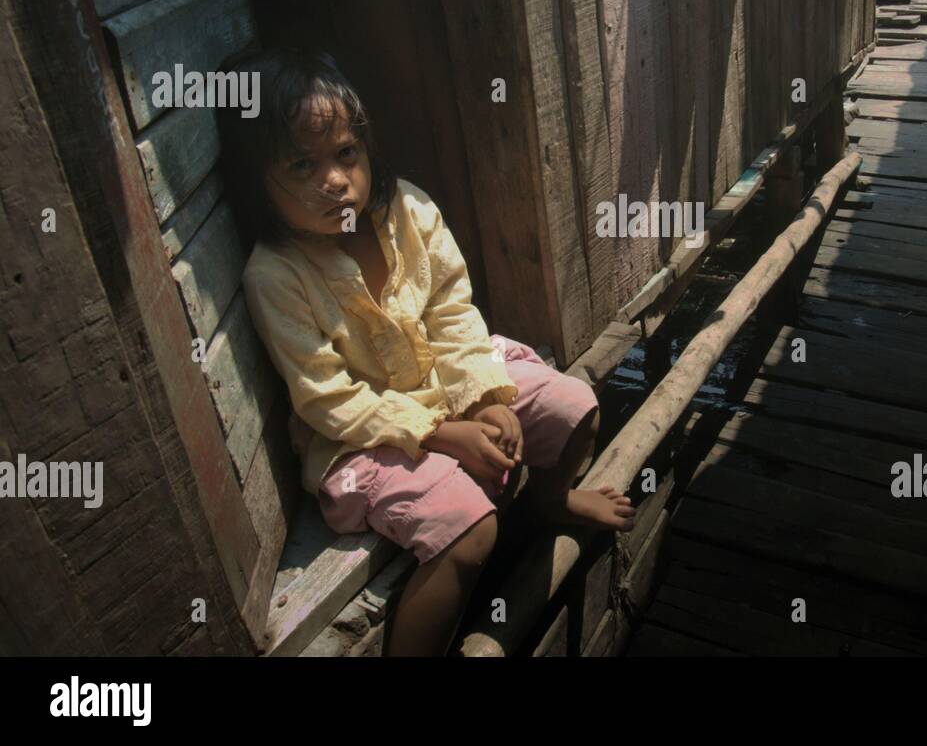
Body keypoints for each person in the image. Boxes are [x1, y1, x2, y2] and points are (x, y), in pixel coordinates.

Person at [215, 48, 634, 655]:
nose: (334, 180)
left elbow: (452, 314)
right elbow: (330, 401)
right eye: (302, 165)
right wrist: (442, 433)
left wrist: (483, 400)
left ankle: (550, 499)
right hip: (363, 434)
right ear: (258, 181)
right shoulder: (275, 275)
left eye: (345, 154)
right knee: (468, 532)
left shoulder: (407, 208)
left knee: (577, 408)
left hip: (442, 382)